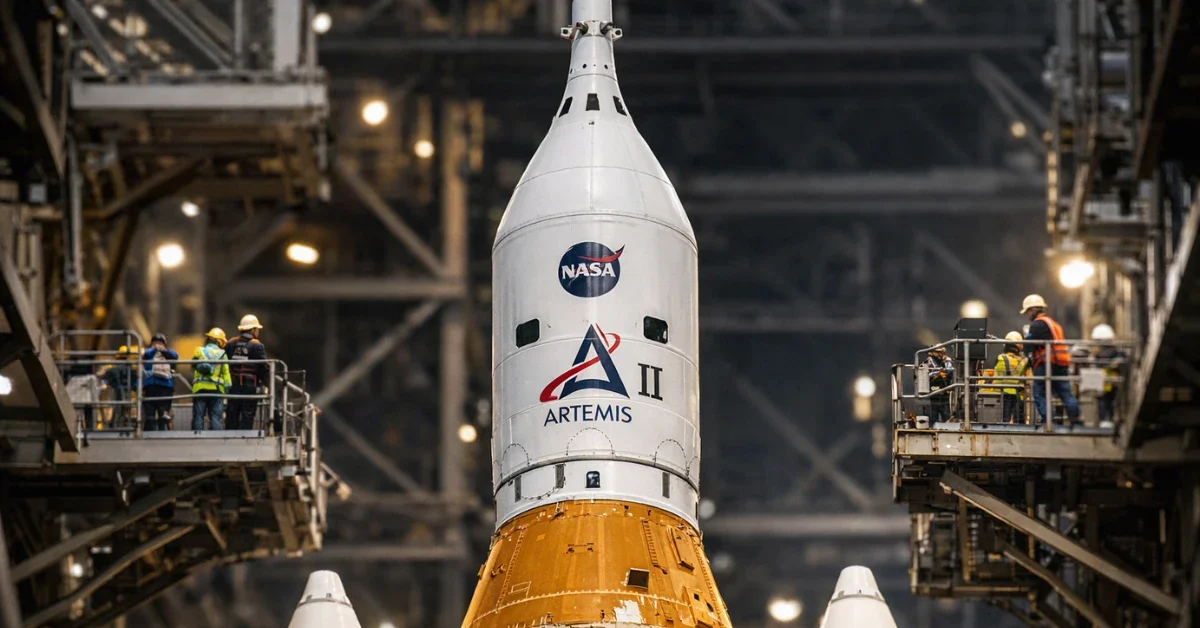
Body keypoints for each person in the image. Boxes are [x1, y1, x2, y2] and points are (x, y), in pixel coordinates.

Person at [1021, 295, 1079, 425]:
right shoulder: (1054, 324)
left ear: (1032, 310)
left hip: (1047, 362)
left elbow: (1029, 345)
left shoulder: (1038, 324)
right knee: (1065, 393)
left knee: (1039, 392)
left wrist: (1027, 355)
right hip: (1061, 362)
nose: (1028, 315)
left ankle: (1048, 419)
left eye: (1028, 312)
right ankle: (1075, 418)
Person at [225, 314, 268, 431]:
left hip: (233, 384)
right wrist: (266, 383)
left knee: (232, 412)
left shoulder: (231, 343)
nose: (258, 331)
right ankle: (244, 436)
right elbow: (263, 367)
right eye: (257, 329)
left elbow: (225, 361)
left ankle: (229, 436)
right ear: (253, 330)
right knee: (248, 412)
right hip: (249, 384)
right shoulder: (257, 345)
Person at [191, 328, 231, 430]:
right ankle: (215, 438)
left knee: (198, 416)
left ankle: (197, 436)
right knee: (215, 417)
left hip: (200, 389)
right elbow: (226, 373)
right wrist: (227, 388)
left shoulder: (199, 351)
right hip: (216, 390)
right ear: (219, 341)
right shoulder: (222, 354)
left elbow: (193, 366)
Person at [142, 333, 179, 431]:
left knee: (163, 414)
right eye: (154, 343)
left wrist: (163, 351)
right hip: (151, 386)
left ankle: (163, 434)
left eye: (160, 343)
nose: (157, 345)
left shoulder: (169, 354)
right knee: (149, 414)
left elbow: (175, 356)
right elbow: (145, 354)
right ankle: (148, 434)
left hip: (165, 386)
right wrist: (155, 349)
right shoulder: (149, 353)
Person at [1090, 323, 1125, 426]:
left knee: (1104, 400)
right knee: (1110, 401)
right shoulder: (1116, 352)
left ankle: (1104, 420)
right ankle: (1109, 419)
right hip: (1112, 381)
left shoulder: (1099, 354)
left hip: (1104, 381)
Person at [993, 332, 1030, 424]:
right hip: (1019, 394)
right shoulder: (1023, 361)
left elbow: (996, 376)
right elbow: (1028, 379)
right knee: (1019, 420)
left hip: (1003, 393)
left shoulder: (1000, 358)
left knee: (1005, 418)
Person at [101, 345, 135, 427]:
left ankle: (114, 425)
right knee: (123, 409)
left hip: (115, 391)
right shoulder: (129, 368)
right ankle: (122, 424)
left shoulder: (113, 367)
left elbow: (105, 375)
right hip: (125, 391)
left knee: (117, 409)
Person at [924, 346, 955, 422]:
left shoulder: (947, 360)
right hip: (933, 392)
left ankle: (947, 426)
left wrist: (945, 373)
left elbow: (950, 371)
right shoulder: (928, 361)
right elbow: (925, 374)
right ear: (932, 352)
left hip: (944, 391)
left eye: (940, 352)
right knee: (933, 414)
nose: (939, 354)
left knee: (946, 414)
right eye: (937, 352)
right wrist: (938, 374)